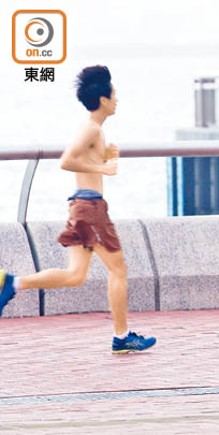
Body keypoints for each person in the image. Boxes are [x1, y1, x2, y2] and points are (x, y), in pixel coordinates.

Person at [0, 65, 156, 354]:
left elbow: (83, 159)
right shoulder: (91, 128)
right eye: (115, 93)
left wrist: (104, 156)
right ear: (104, 99)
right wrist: (103, 166)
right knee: (118, 270)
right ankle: (121, 337)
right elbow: (66, 160)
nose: (118, 98)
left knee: (76, 275)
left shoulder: (96, 131)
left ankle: (12, 283)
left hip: (83, 206)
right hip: (91, 208)